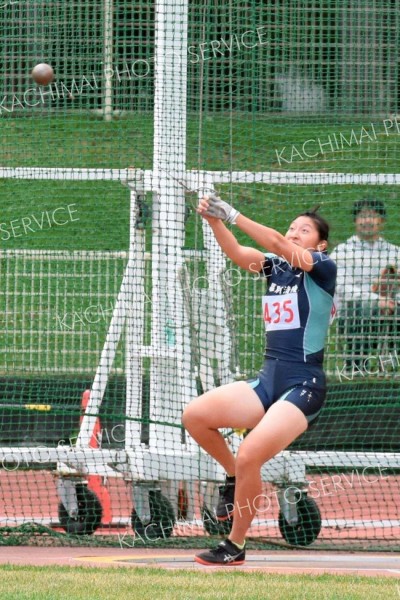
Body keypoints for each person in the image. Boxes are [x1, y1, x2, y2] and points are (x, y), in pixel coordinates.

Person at [182, 194, 336, 566]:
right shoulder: (275, 268)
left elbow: (276, 242)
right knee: (195, 416)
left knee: (252, 453)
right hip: (267, 380)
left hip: (304, 386)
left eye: (304, 230)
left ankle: (234, 545)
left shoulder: (323, 267)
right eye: (292, 227)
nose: (294, 234)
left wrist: (233, 213)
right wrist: (214, 220)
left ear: (320, 243)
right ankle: (233, 475)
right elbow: (237, 253)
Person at [330, 199, 400, 372]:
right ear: (355, 221)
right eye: (362, 216)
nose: (367, 221)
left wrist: (393, 301)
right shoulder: (342, 251)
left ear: (381, 221)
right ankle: (356, 369)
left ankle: (392, 368)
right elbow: (342, 288)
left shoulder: (395, 252)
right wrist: (377, 300)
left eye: (372, 216)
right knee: (361, 308)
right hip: (355, 313)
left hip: (391, 311)